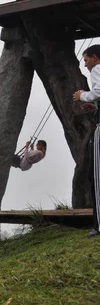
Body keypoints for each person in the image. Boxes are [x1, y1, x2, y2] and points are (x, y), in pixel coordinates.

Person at [73, 44, 100, 238]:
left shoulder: (98, 69)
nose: (85, 65)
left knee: (97, 176)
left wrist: (82, 96)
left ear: (95, 58)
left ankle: (99, 225)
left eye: (86, 60)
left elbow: (98, 91)